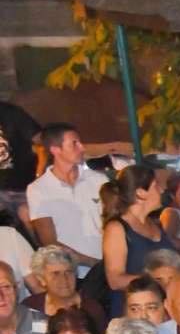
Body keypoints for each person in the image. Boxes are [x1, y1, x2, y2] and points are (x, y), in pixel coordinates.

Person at [24, 123, 107, 272]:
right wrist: (90, 262)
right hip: (73, 273)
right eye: (74, 143)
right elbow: (49, 242)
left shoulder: (99, 180)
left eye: (80, 142)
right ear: (55, 150)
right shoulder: (38, 190)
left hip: (108, 265)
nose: (82, 147)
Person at [99, 164, 165, 296]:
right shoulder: (117, 228)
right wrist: (158, 281)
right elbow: (115, 280)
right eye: (156, 186)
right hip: (134, 303)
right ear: (140, 193)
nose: (162, 190)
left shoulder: (153, 224)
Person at [25, 245, 107, 334]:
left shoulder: (92, 309)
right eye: (55, 274)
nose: (64, 279)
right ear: (42, 279)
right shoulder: (30, 307)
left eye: (69, 272)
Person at [0, 97, 40, 218]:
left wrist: (39, 176)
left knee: (28, 216)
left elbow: (41, 145)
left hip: (21, 188)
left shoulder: (10, 113)